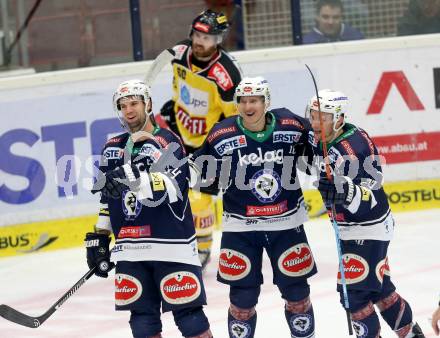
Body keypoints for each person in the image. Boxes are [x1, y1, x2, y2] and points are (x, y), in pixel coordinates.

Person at [86, 79, 212, 338]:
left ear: (148, 104)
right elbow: (107, 201)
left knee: (190, 319)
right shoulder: (112, 148)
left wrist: (131, 178)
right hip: (131, 249)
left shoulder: (167, 141)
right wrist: (100, 236)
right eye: (123, 105)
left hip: (171, 245)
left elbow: (174, 186)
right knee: (142, 324)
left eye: (134, 103)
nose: (129, 110)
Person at [192, 77, 318, 338]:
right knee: (242, 302)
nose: (248, 106)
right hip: (240, 228)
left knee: (298, 296)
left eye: (254, 101)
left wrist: (330, 171)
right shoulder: (221, 134)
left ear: (266, 102)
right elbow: (199, 175)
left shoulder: (291, 124)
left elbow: (320, 147)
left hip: (286, 224)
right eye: (243, 101)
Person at [306, 89, 425, 337]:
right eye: (313, 116)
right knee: (379, 289)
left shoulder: (354, 148)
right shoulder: (323, 135)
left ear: (338, 119)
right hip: (353, 227)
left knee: (354, 295)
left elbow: (370, 197)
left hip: (368, 227)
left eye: (322, 117)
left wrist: (345, 192)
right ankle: (411, 333)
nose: (316, 122)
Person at [160, 9, 243, 270]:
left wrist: (222, 146)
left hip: (209, 144)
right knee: (166, 189)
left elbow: (235, 117)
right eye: (196, 35)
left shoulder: (226, 75)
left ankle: (203, 246)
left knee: (199, 198)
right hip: (180, 133)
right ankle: (176, 240)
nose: (199, 41)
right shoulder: (179, 53)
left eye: (206, 38)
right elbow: (177, 86)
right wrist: (172, 110)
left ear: (218, 40)